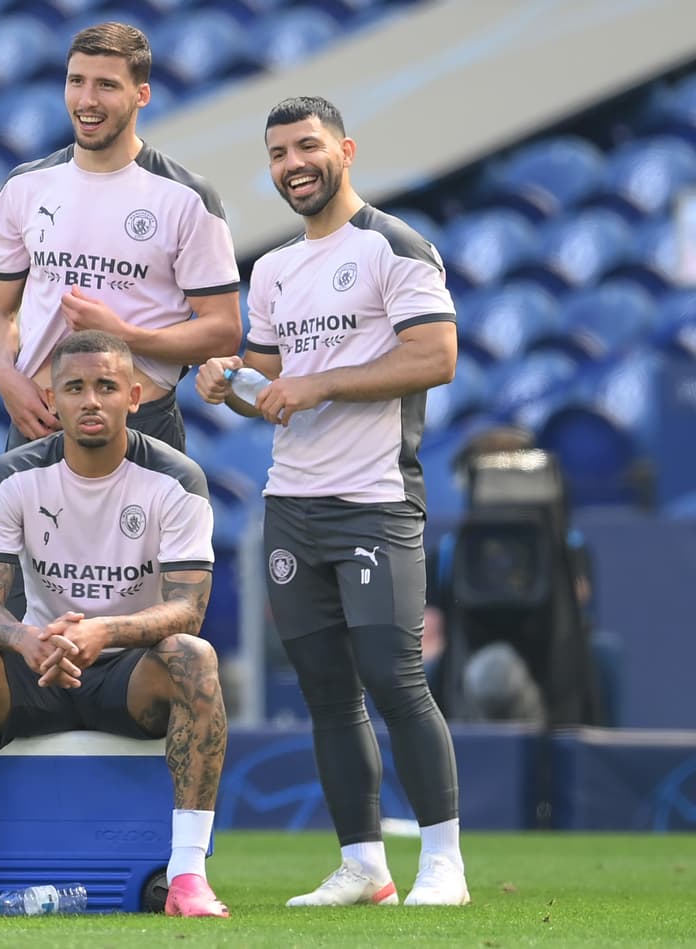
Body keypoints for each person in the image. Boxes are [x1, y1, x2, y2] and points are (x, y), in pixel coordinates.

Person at [196, 96, 469, 907]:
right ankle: (364, 865)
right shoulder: (274, 268)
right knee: (325, 689)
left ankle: (443, 863)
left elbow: (437, 355)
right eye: (279, 153)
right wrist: (226, 381)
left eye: (307, 146)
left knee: (394, 676)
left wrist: (317, 384)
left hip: (376, 498)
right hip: (293, 502)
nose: (293, 164)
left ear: (344, 149)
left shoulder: (397, 246)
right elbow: (269, 385)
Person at [0, 330, 229, 918]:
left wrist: (105, 632)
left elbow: (188, 609)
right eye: (75, 387)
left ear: (134, 396)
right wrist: (27, 639)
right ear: (53, 398)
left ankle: (188, 878)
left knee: (194, 656)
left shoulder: (177, 479)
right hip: (39, 667)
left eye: (106, 387)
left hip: (129, 674)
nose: (91, 400)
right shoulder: (9, 477)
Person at [0, 20, 242, 618]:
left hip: (141, 421)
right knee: (12, 617)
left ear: (141, 94)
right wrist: (4, 373)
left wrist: (124, 335)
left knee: (147, 616)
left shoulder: (185, 197)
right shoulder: (26, 186)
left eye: (105, 85)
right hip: (40, 419)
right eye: (75, 82)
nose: (86, 100)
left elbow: (224, 328)